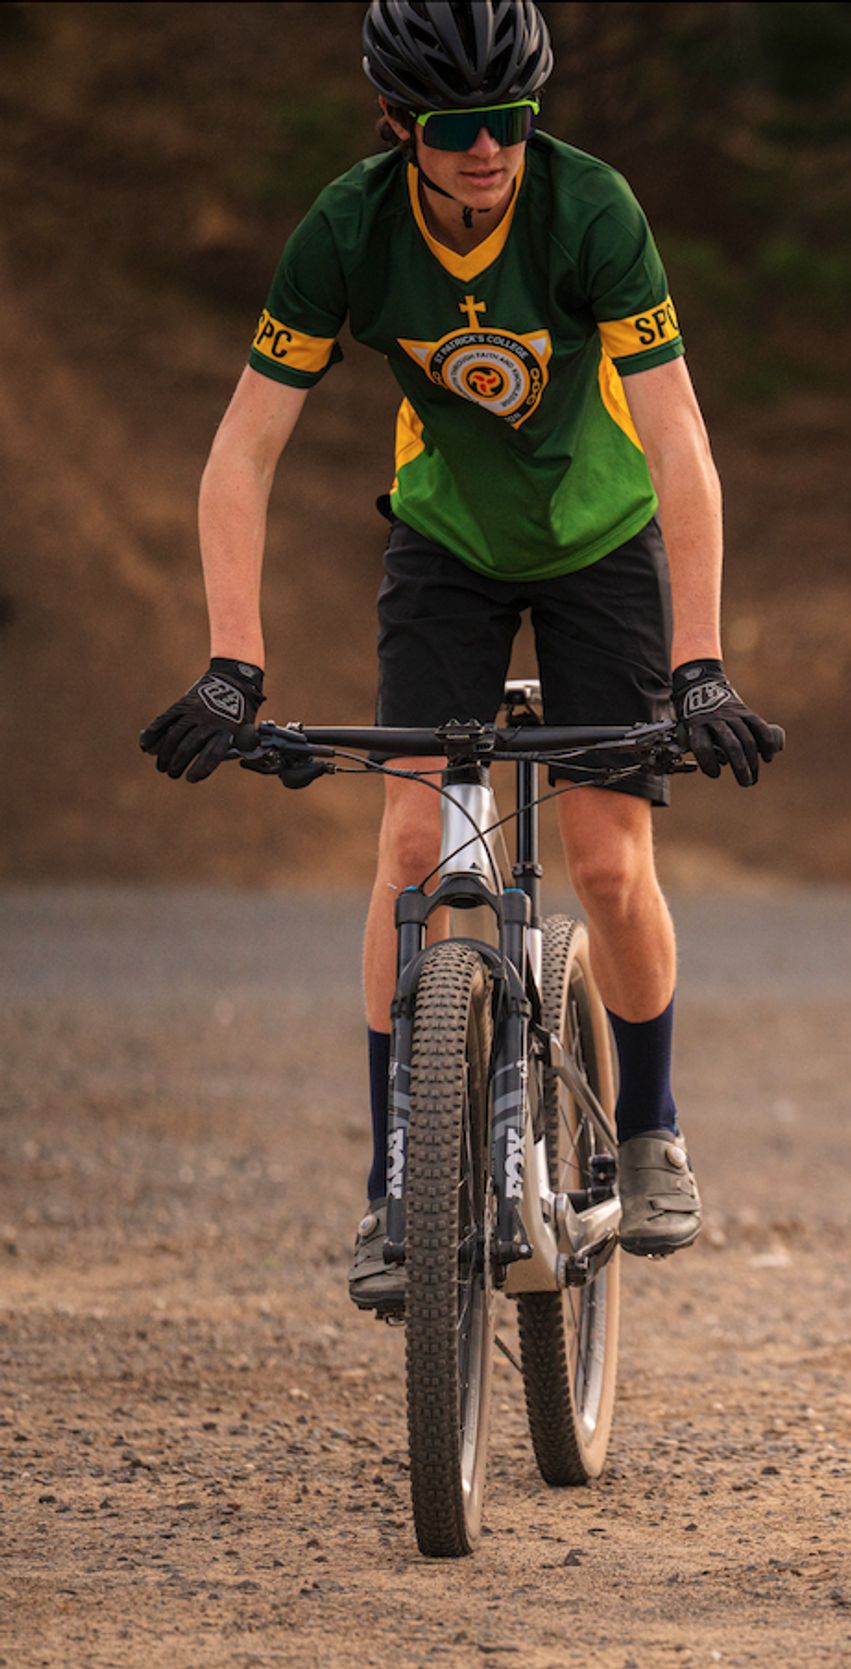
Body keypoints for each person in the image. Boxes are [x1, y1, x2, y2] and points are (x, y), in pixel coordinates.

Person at [138, 0, 778, 1309]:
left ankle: (650, 1124)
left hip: (602, 538)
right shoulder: (349, 229)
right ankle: (396, 1181)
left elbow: (680, 443)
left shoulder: (590, 209)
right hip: (447, 539)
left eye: (510, 121)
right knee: (411, 852)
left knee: (609, 858)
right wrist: (232, 662)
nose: (488, 150)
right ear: (399, 125)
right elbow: (241, 451)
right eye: (456, 127)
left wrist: (701, 663)